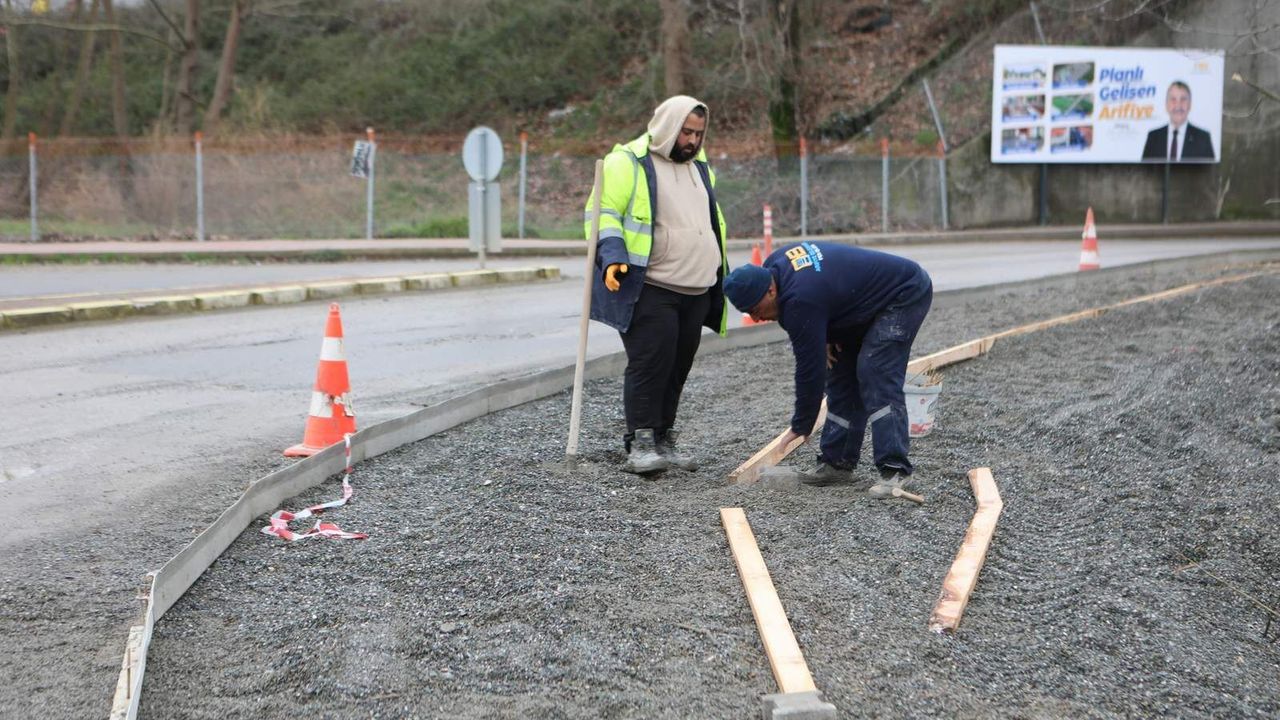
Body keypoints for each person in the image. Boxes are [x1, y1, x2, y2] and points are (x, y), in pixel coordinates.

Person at [583, 95, 729, 475]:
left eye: (698, 133)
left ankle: (664, 438)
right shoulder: (627, 163)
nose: (693, 140)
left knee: (678, 367)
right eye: (686, 132)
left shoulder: (700, 168)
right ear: (668, 126)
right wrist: (612, 254)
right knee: (651, 363)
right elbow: (602, 214)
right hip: (651, 286)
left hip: (697, 289)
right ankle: (641, 443)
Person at [722, 242, 932, 498]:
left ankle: (895, 470)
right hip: (863, 301)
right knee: (841, 372)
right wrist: (824, 333)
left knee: (876, 370)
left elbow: (809, 371)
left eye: (755, 310)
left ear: (770, 290)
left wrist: (802, 424)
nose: (756, 319)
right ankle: (837, 464)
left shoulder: (799, 300)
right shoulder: (771, 270)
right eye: (748, 313)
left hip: (903, 292)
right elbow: (826, 296)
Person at [1142, 81, 1215, 161]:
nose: (1178, 105)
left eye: (1183, 99)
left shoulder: (1203, 139)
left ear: (1190, 104)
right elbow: (1145, 168)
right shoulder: (1153, 138)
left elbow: (1209, 168)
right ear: (1166, 105)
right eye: (1173, 99)